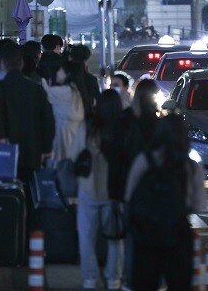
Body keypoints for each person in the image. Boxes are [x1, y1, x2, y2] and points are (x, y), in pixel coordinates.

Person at [124, 113, 207, 290]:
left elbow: (129, 197)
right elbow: (199, 205)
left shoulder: (143, 161)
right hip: (177, 235)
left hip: (145, 236)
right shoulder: (191, 167)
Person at [0, 43, 55, 228]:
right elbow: (48, 121)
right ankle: (30, 238)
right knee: (30, 194)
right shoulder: (36, 89)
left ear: (3, 65)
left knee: (6, 195)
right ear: (22, 65)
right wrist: (46, 150)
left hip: (3, 153)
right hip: (31, 152)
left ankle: (9, 234)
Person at [108, 78, 160, 290]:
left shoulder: (124, 121)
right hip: (156, 190)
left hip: (128, 188)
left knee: (131, 240)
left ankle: (130, 282)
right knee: (156, 239)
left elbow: (115, 159)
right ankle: (155, 281)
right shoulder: (160, 124)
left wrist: (114, 193)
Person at [77, 89, 124, 290]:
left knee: (86, 237)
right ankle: (113, 278)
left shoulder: (88, 127)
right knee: (115, 237)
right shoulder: (122, 128)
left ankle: (89, 278)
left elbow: (74, 156)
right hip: (114, 191)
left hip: (88, 188)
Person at [41, 60, 90, 171]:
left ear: (68, 74)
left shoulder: (65, 92)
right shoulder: (77, 90)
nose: (58, 73)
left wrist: (43, 79)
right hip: (75, 141)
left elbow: (43, 91)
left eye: (60, 70)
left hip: (62, 140)